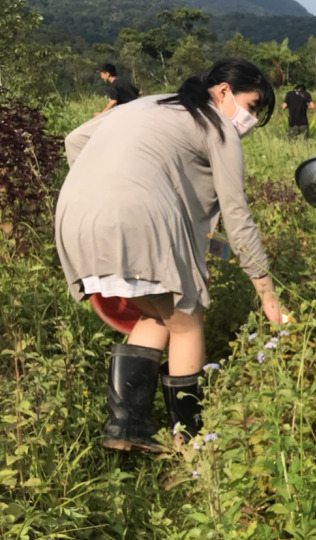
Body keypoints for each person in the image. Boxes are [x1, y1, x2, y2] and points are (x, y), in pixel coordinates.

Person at [56, 58, 287, 452]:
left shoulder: (149, 104)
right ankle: (191, 442)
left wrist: (105, 188)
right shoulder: (218, 127)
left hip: (73, 216)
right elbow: (237, 216)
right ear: (224, 91)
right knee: (186, 319)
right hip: (136, 219)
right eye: (251, 106)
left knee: (159, 313)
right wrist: (267, 294)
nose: (249, 120)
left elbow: (74, 141)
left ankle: (126, 427)